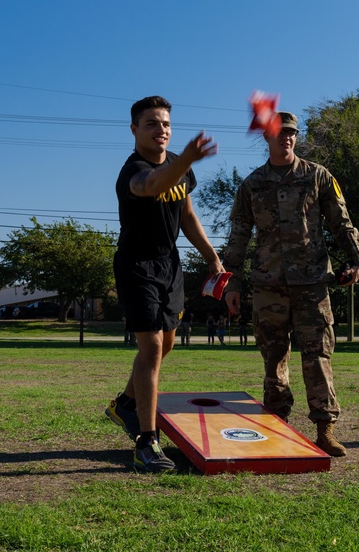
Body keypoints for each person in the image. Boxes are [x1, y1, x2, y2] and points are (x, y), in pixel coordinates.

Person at [222, 112, 359, 457]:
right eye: (279, 133)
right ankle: (276, 424)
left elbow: (341, 221)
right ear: (266, 138)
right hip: (268, 285)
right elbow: (238, 237)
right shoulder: (252, 185)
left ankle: (325, 429)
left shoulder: (317, 176)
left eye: (291, 133)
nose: (286, 138)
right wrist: (230, 283)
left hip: (312, 283)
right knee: (274, 358)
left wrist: (357, 258)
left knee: (318, 356)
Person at [105, 96, 224, 472]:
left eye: (167, 124)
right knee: (152, 345)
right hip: (136, 264)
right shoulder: (132, 171)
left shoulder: (179, 166)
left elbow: (186, 213)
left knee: (167, 343)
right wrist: (187, 158)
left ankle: (125, 404)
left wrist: (211, 257)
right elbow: (154, 185)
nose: (162, 130)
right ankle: (147, 441)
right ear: (134, 129)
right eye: (153, 123)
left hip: (168, 264)